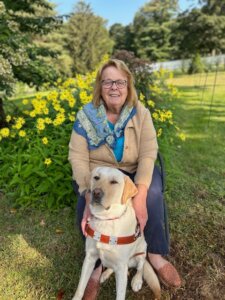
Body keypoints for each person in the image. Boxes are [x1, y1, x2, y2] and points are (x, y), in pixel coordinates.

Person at [68, 59, 181, 299]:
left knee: (150, 195)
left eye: (120, 82)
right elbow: (77, 156)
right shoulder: (85, 116)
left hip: (132, 170)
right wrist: (89, 193)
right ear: (100, 86)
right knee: (84, 205)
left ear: (128, 86)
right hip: (98, 174)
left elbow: (149, 153)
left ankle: (154, 254)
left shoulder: (141, 113)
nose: (114, 87)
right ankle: (97, 266)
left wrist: (139, 193)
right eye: (108, 81)